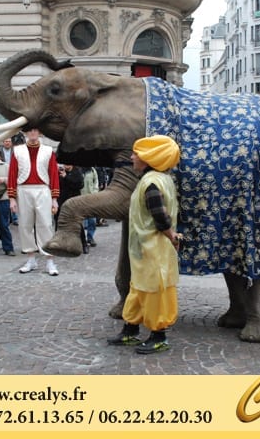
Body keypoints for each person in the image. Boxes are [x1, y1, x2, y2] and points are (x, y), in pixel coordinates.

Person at [107, 135, 181, 354]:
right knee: (138, 290)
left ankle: (159, 336)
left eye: (136, 154)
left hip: (153, 251)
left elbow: (161, 218)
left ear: (149, 158)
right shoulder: (158, 179)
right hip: (144, 250)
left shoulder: (151, 184)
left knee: (154, 293)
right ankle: (130, 330)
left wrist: (172, 236)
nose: (132, 157)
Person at [8, 128, 60, 275]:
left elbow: (54, 174)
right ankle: (31, 259)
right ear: (26, 133)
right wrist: (12, 198)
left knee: (46, 224)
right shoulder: (17, 151)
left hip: (43, 189)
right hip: (23, 189)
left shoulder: (48, 151)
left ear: (40, 133)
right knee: (25, 225)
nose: (32, 134)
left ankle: (50, 261)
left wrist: (54, 198)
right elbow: (12, 173)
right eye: (29, 131)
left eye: (35, 131)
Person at [56, 164, 88, 253]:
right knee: (60, 223)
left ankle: (84, 244)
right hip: (62, 201)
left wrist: (66, 177)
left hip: (74, 201)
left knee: (77, 223)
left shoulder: (76, 171)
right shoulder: (60, 172)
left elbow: (79, 184)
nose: (65, 166)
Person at [81, 166, 100, 247]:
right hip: (80, 198)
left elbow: (96, 182)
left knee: (92, 220)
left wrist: (95, 192)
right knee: (81, 221)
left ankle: (90, 237)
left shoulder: (92, 170)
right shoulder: (78, 169)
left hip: (91, 198)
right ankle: (81, 238)